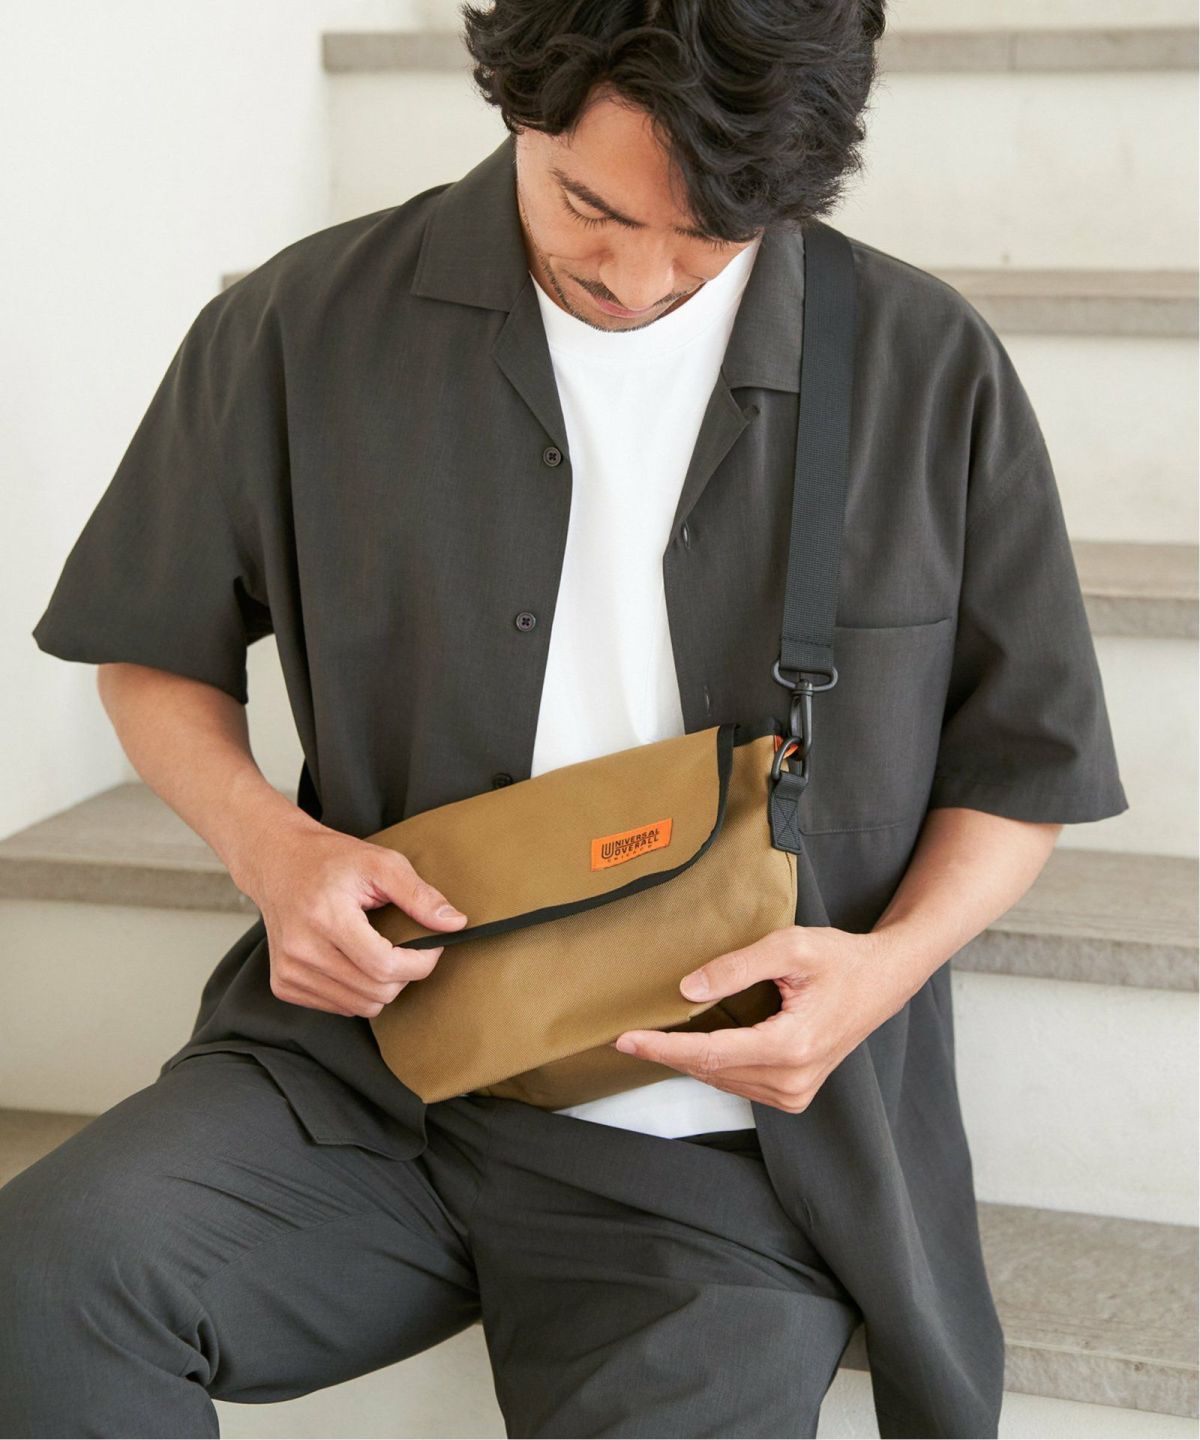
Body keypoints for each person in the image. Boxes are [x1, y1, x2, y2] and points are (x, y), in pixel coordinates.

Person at [2, 2, 1128, 1437]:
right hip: (365, 1080)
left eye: (709, 236)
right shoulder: (303, 324)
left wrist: (881, 972)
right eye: (591, 206)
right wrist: (273, 853)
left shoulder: (924, 365)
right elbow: (149, 648)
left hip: (724, 1154)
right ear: (515, 101)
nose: (637, 278)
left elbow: (1021, 763)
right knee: (44, 1284)